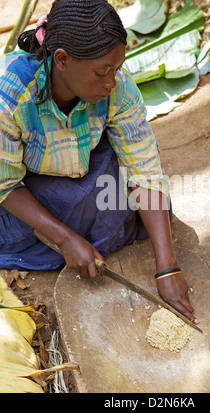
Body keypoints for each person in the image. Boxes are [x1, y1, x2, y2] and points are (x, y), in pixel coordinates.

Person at [0, 0, 198, 324]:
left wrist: (167, 266)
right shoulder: (10, 97)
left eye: (117, 70)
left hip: (81, 162)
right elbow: (5, 184)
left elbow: (144, 166)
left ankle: (81, 231)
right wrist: (63, 237)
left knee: (123, 197)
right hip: (26, 185)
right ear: (62, 60)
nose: (111, 83)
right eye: (102, 73)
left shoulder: (115, 88)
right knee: (91, 209)